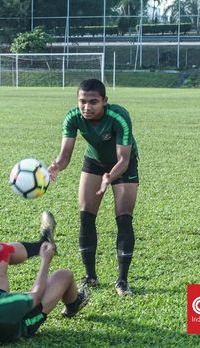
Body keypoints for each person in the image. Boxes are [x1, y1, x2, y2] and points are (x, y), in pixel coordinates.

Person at [47, 78, 139, 296]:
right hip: (94, 162)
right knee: (86, 216)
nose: (87, 107)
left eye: (93, 102)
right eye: (82, 101)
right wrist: (56, 167)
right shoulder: (73, 117)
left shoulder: (119, 117)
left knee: (124, 217)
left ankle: (122, 281)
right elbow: (65, 155)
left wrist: (109, 177)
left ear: (104, 101)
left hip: (123, 166)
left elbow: (123, 160)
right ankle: (90, 276)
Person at [0, 212, 89, 343]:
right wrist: (45, 261)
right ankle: (73, 304)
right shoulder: (6, 304)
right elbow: (36, 296)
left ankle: (42, 243)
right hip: (21, 322)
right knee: (64, 275)